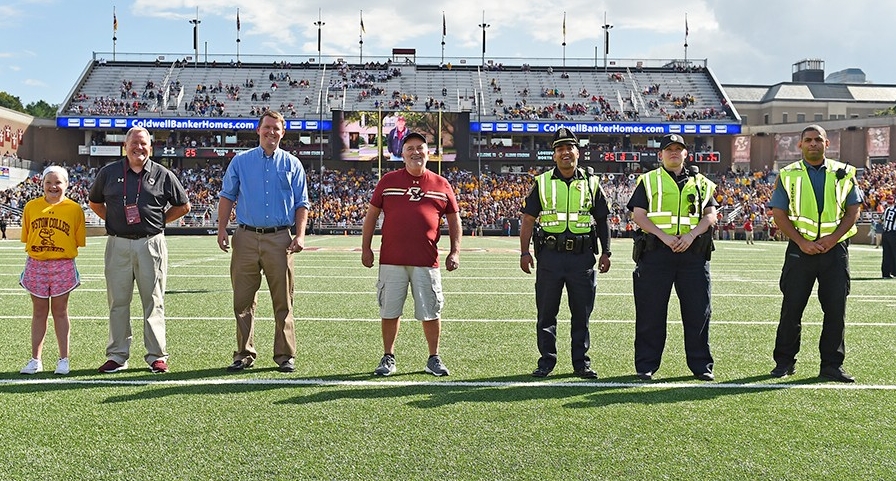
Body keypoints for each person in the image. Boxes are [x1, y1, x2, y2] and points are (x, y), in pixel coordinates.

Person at [88, 126, 191, 374]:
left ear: (150, 147)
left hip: (150, 243)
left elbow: (184, 206)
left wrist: (158, 222)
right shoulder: (108, 173)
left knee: (153, 301)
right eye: (134, 143)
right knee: (117, 302)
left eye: (143, 143)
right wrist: (114, 221)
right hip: (118, 243)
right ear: (125, 146)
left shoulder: (162, 174)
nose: (138, 148)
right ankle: (117, 355)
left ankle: (156, 355)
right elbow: (95, 202)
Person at [217, 110, 310, 373]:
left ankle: (285, 355)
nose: (271, 132)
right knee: (242, 300)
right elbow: (227, 195)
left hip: (280, 238)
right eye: (266, 127)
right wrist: (221, 228)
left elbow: (302, 203)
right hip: (245, 236)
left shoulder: (293, 164)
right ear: (258, 130)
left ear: (283, 132)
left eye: (276, 129)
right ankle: (243, 353)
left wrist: (300, 235)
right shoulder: (241, 161)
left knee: (283, 300)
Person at [361, 131, 461, 377]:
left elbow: (454, 219)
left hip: (426, 259)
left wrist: (455, 251)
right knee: (389, 310)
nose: (416, 152)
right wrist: (366, 247)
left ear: (428, 152)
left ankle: (433, 358)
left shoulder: (441, 183)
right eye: (410, 148)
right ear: (402, 154)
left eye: (420, 147)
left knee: (431, 310)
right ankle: (388, 356)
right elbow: (371, 216)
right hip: (392, 258)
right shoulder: (388, 180)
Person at [768, 124, 862, 383]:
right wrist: (800, 241)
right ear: (800, 145)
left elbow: (853, 209)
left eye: (817, 140)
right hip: (800, 250)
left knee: (835, 310)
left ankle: (831, 364)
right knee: (792, 308)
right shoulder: (787, 174)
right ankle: (784, 362)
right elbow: (779, 213)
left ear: (826, 144)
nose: (813, 144)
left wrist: (833, 239)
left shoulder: (843, 173)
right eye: (808, 140)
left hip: (835, 251)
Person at [519, 127, 612, 379]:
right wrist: (524, 252)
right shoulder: (542, 182)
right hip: (550, 256)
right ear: (554, 155)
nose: (565, 153)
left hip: (582, 257)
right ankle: (546, 361)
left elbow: (602, 220)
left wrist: (607, 252)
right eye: (559, 149)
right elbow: (528, 219)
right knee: (546, 313)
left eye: (569, 148)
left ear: (577, 152)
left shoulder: (592, 183)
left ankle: (581, 363)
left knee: (581, 313)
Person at [626, 133, 718, 381]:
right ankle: (646, 365)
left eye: (679, 149)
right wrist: (665, 237)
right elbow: (639, 215)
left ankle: (701, 366)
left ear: (686, 154)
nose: (674, 153)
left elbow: (710, 216)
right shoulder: (648, 180)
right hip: (656, 252)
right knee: (650, 312)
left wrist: (690, 236)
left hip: (693, 255)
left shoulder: (701, 182)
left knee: (698, 311)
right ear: (661, 155)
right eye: (669, 149)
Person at [18, 166, 86, 375]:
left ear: (66, 184)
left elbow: (77, 240)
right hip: (36, 263)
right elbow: (27, 236)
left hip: (62, 264)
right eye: (48, 182)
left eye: (58, 182)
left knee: (60, 311)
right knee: (38, 312)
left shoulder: (75, 209)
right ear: (42, 184)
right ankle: (35, 359)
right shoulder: (31, 207)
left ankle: (63, 359)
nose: (53, 186)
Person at [881, 201, 896, 278]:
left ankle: (886, 273)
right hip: (893, 233)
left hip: (885, 233)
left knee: (886, 254)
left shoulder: (888, 209)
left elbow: (881, 220)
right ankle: (894, 272)